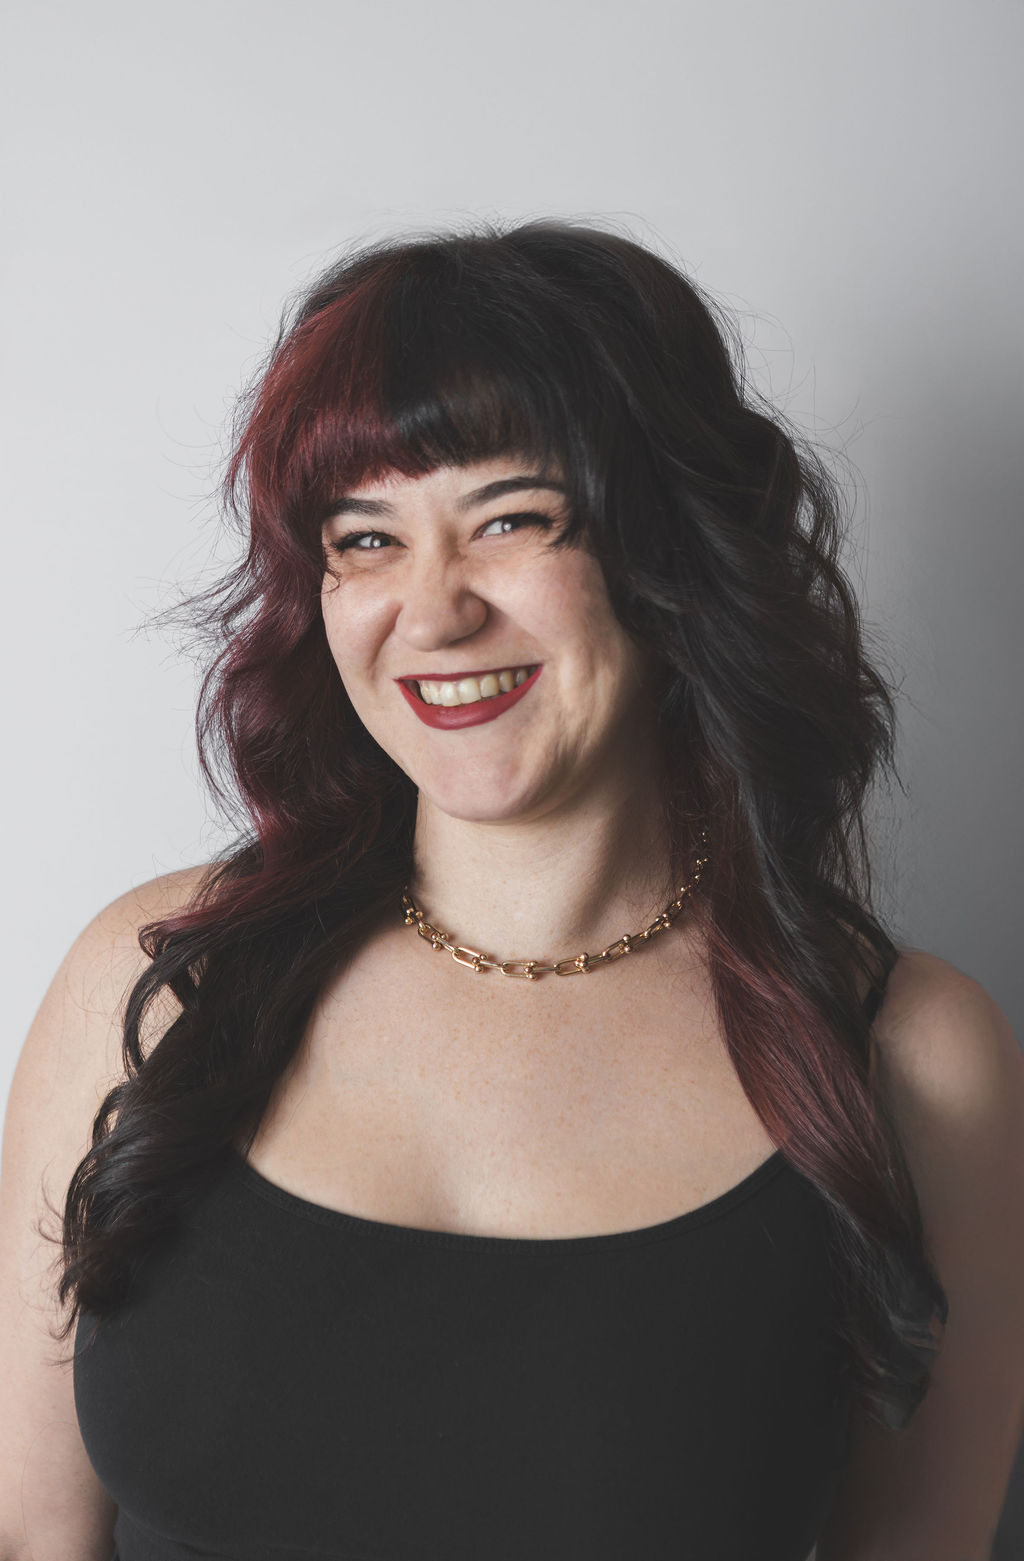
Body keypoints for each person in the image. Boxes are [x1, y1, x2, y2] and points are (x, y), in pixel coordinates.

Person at [1, 219, 1022, 1561]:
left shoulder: (909, 1056)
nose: (432, 612)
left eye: (510, 519)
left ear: (672, 551)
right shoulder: (154, 978)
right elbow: (30, 1531)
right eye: (365, 538)